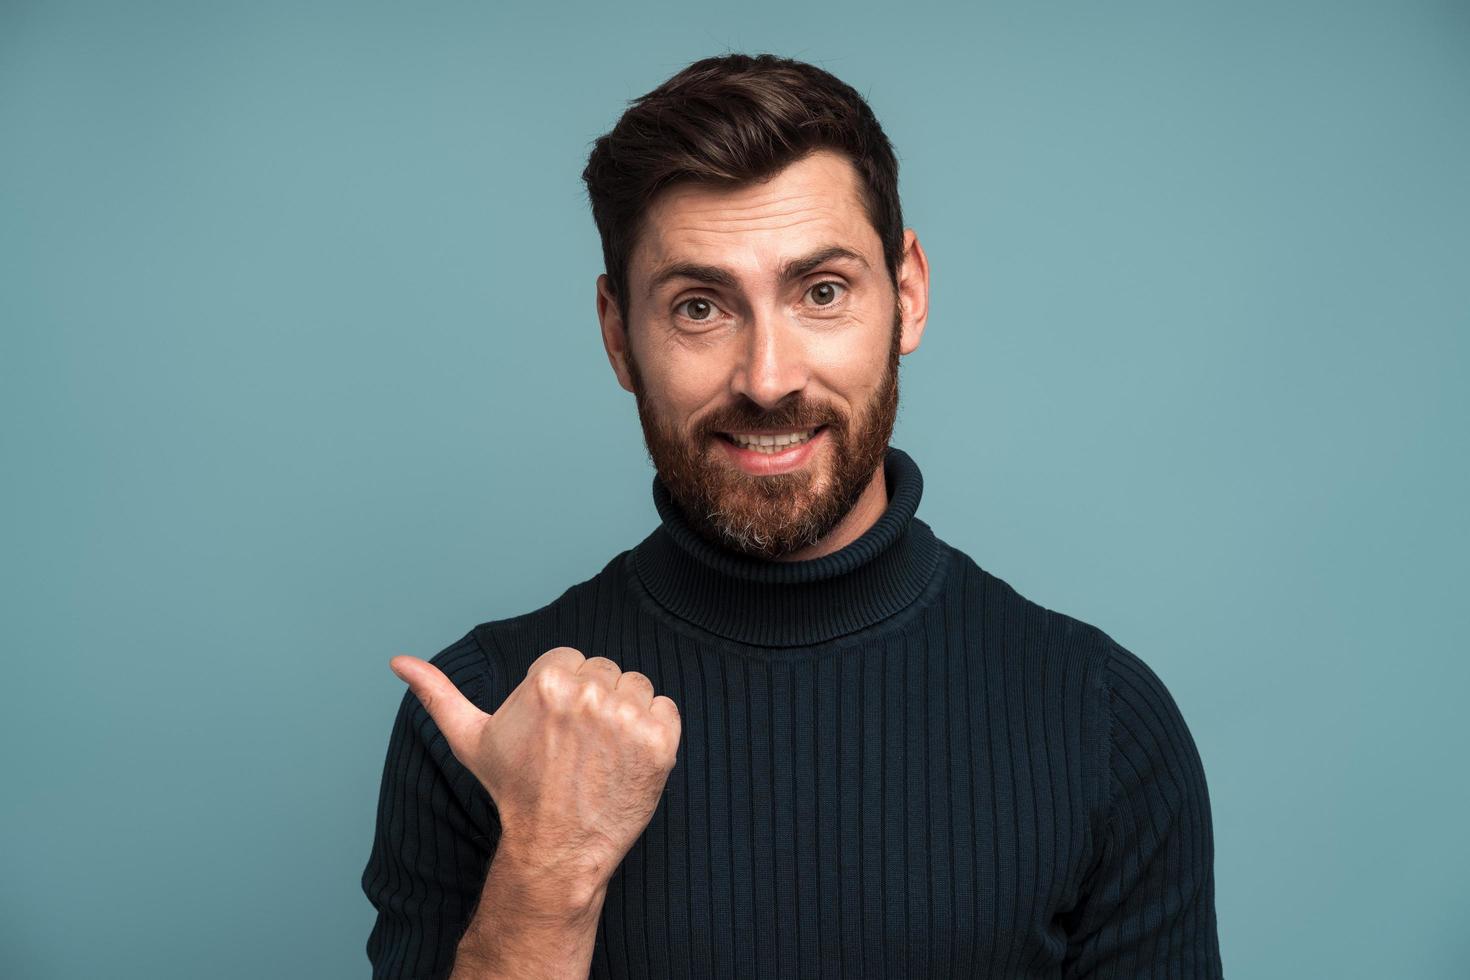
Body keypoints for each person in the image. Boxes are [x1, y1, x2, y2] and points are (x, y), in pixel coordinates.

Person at [361, 52, 1223, 979]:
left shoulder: (1101, 722)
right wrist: (550, 866)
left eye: (821, 292)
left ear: (909, 295)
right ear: (618, 334)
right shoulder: (492, 718)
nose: (768, 378)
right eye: (700, 306)